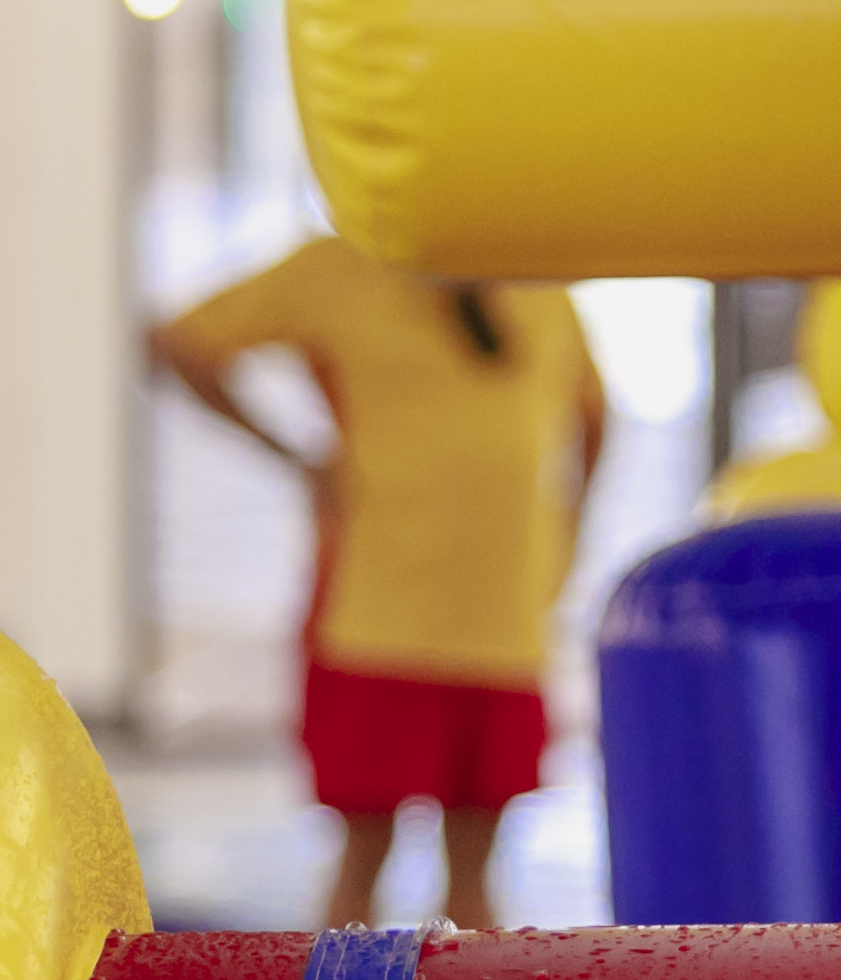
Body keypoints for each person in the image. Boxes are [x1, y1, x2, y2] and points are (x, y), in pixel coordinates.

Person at [152, 236, 606, 930]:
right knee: (364, 862)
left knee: (478, 875)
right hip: (378, 615)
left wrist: (568, 531)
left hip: (500, 618)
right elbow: (180, 340)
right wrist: (297, 458)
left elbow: (595, 415)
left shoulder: (533, 276)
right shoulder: (340, 268)